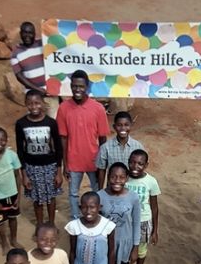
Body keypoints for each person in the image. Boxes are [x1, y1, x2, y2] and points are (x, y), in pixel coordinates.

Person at [57, 69, 110, 219]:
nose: (77, 90)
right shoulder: (63, 108)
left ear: (87, 86)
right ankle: (75, 219)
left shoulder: (98, 108)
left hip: (93, 160)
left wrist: (102, 162)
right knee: (73, 194)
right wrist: (65, 164)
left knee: (97, 191)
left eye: (81, 86)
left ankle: (97, 218)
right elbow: (63, 138)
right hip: (73, 160)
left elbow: (102, 139)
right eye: (74, 86)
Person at [15, 90, 63, 225]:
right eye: (30, 104)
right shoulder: (21, 124)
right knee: (37, 198)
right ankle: (40, 224)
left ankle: (52, 224)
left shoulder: (51, 123)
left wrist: (59, 172)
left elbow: (58, 148)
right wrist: (24, 174)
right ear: (25, 104)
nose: (34, 107)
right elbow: (20, 149)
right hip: (31, 167)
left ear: (43, 103)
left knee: (51, 197)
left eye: (37, 103)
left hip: (50, 166)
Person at [98, 162, 141, 264]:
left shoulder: (133, 198)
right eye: (114, 177)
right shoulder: (100, 196)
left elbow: (136, 223)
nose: (117, 180)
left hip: (125, 243)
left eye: (121, 177)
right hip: (107, 244)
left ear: (127, 178)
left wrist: (135, 247)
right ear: (108, 178)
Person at [126, 149, 161, 264]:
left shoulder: (151, 182)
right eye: (133, 163)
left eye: (140, 164)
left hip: (143, 221)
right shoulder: (124, 178)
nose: (135, 166)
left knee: (141, 250)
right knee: (125, 248)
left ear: (146, 165)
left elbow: (154, 207)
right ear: (128, 162)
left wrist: (155, 230)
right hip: (125, 221)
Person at [10, 22, 59, 117]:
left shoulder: (43, 44)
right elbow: (19, 76)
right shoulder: (15, 53)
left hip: (50, 93)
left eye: (30, 33)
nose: (27, 35)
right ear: (20, 34)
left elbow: (58, 45)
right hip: (32, 97)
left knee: (53, 124)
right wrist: (37, 89)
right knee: (35, 123)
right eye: (25, 32)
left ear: (34, 34)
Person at [97, 111, 145, 189]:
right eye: (119, 125)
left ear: (131, 125)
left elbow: (141, 168)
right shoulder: (106, 147)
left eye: (126, 125)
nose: (123, 128)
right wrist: (100, 190)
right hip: (113, 188)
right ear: (114, 127)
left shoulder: (138, 146)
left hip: (132, 188)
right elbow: (102, 170)